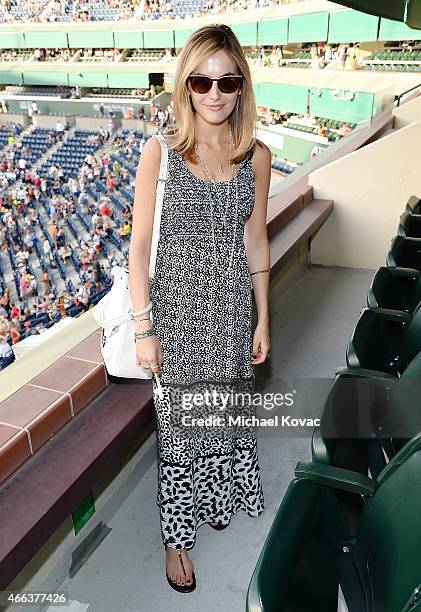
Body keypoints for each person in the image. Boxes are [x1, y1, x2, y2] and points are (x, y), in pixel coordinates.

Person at [128, 24, 271, 593]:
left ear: (241, 86)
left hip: (233, 315)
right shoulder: (159, 153)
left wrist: (264, 316)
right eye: (202, 80)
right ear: (185, 84)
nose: (215, 92)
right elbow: (139, 247)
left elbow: (255, 238)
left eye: (227, 79)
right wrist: (144, 327)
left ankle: (214, 497)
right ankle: (176, 540)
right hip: (179, 322)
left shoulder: (254, 155)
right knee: (182, 437)